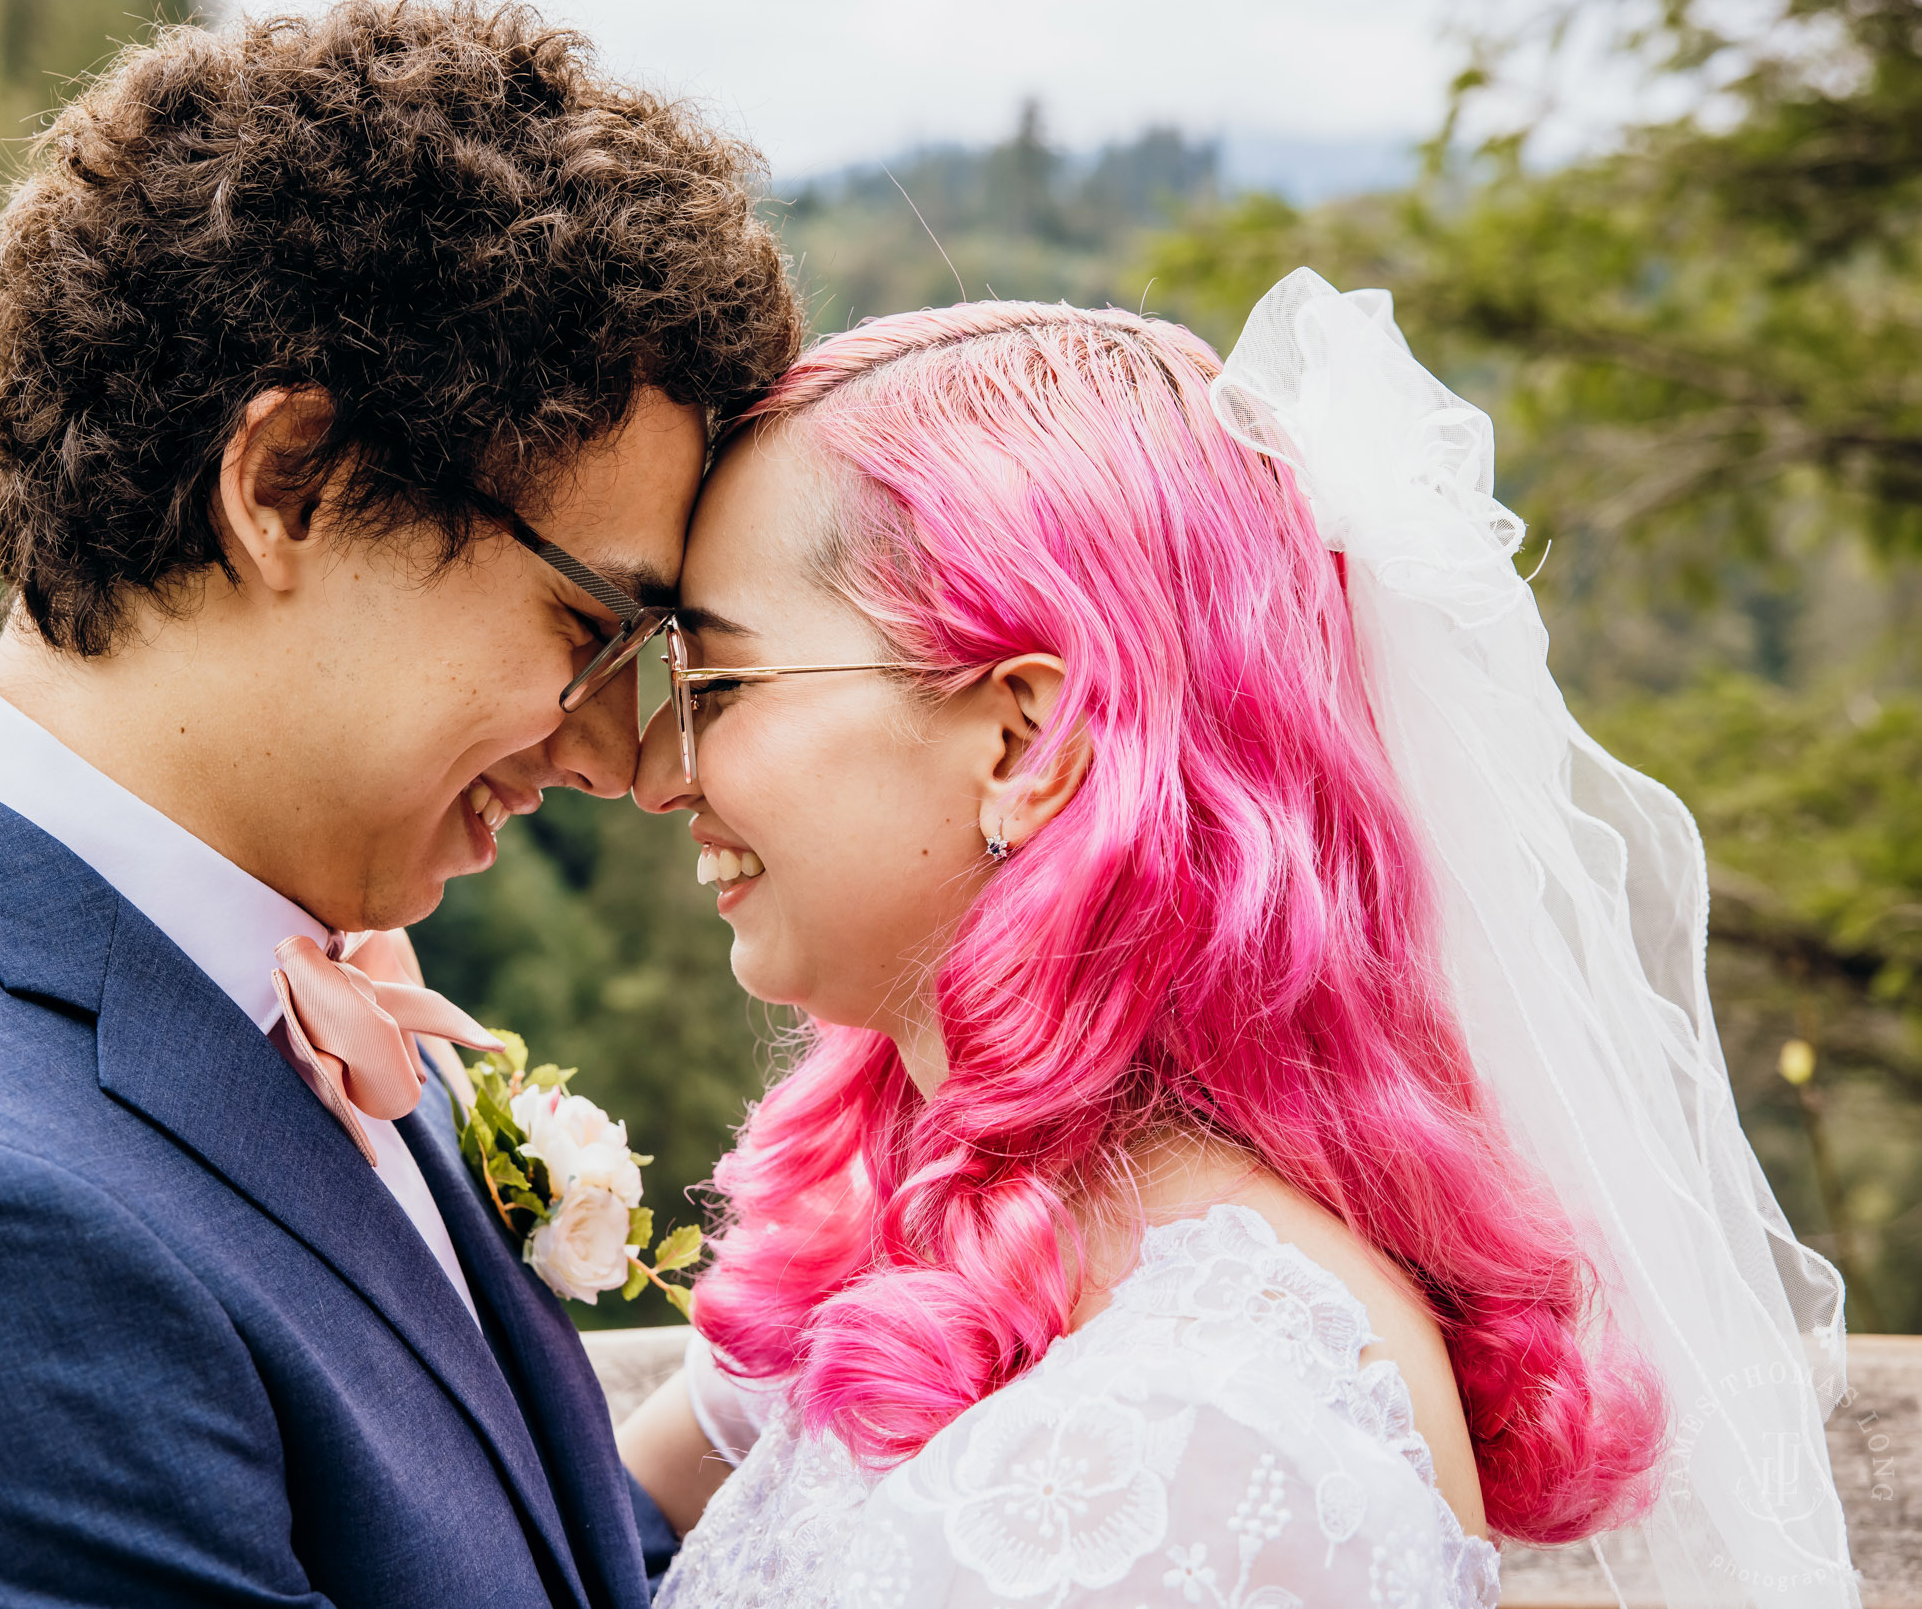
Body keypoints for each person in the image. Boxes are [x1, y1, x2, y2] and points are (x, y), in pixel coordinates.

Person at [0, 1, 800, 1608]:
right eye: (590, 631)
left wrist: (833, 1380)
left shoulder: (264, 985)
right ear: (286, 482)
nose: (623, 759)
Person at [618, 281, 1859, 1608]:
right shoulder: (965, 1241)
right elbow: (564, 1528)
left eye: (716, 688)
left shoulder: (1205, 1440)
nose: (651, 771)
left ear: (1024, 742)